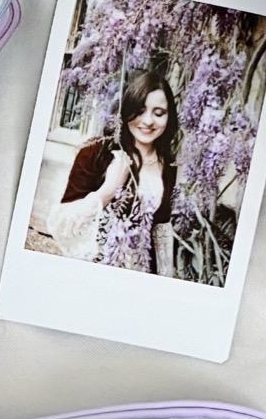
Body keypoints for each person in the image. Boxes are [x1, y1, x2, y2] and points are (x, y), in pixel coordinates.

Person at [50, 67, 179, 276]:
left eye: (159, 113)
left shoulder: (168, 165)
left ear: (169, 117)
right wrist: (108, 191)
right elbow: (61, 226)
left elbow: (160, 230)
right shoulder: (95, 153)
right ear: (127, 109)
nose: (147, 121)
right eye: (139, 110)